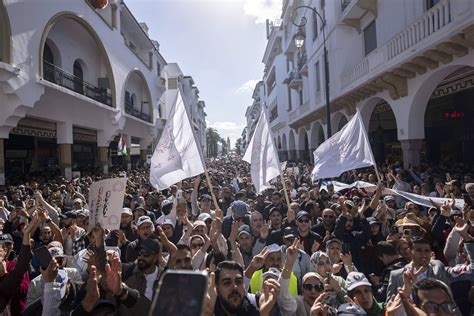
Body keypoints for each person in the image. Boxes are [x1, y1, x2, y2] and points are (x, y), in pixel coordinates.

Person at [386, 237, 452, 300]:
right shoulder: (396, 276)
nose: (424, 255)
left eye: (427, 251)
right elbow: (389, 307)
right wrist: (406, 291)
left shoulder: (438, 268)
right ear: (410, 252)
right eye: (419, 250)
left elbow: (449, 300)